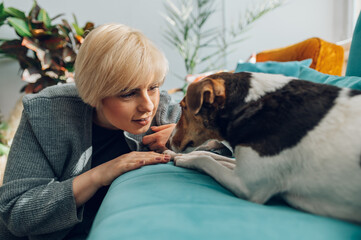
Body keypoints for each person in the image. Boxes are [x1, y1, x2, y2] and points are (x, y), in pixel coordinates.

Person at [0, 23, 181, 240]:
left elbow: (227, 153)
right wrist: (100, 175)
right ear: (96, 92)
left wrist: (187, 141)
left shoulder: (164, 112)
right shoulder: (45, 113)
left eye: (153, 87)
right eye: (128, 93)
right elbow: (16, 212)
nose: (148, 105)